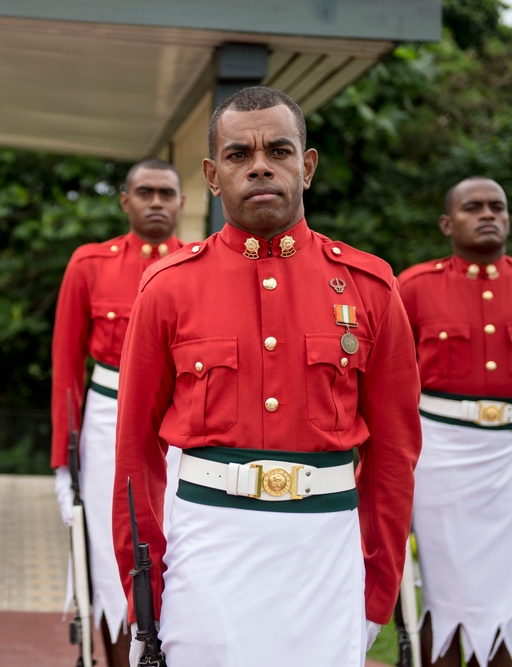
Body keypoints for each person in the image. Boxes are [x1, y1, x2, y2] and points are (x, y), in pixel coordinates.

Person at [112, 85, 422, 666]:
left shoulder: (370, 287)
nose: (260, 167)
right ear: (211, 174)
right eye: (238, 155)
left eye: (278, 151)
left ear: (305, 167)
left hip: (324, 552)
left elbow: (395, 455)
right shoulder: (168, 287)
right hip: (209, 547)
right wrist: (144, 587)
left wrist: (378, 586)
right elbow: (135, 453)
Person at [50, 157, 184, 666]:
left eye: (165, 194)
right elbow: (66, 366)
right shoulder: (91, 264)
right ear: (125, 200)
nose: (155, 202)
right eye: (144, 192)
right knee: (112, 548)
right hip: (107, 415)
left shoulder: (194, 262)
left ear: (182, 202)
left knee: (176, 535)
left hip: (178, 421)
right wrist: (64, 459)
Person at [398, 176, 512, 667]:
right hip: (440, 452)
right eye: (473, 207)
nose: (488, 214)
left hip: (509, 453)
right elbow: (388, 379)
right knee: (445, 589)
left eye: (497, 207)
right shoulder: (415, 287)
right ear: (448, 223)